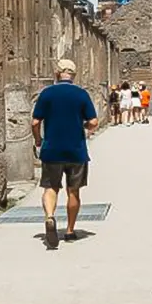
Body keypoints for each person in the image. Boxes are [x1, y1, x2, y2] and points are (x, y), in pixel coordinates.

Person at [32, 59, 99, 249]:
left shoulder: (47, 93)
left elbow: (35, 122)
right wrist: (84, 127)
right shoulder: (81, 94)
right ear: (74, 75)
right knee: (73, 191)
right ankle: (70, 230)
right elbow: (93, 122)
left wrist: (38, 140)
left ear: (57, 73)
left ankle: (50, 217)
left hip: (51, 148)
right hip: (76, 150)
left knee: (50, 188)